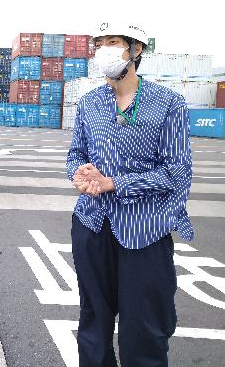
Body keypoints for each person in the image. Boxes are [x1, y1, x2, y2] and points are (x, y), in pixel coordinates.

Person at [66, 23, 193, 367]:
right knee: (93, 323)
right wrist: (80, 176)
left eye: (114, 43)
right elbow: (76, 154)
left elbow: (176, 173)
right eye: (100, 44)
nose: (105, 50)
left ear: (136, 49)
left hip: (145, 231)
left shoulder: (169, 104)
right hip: (92, 225)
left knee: (144, 330)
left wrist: (114, 183)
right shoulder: (89, 103)